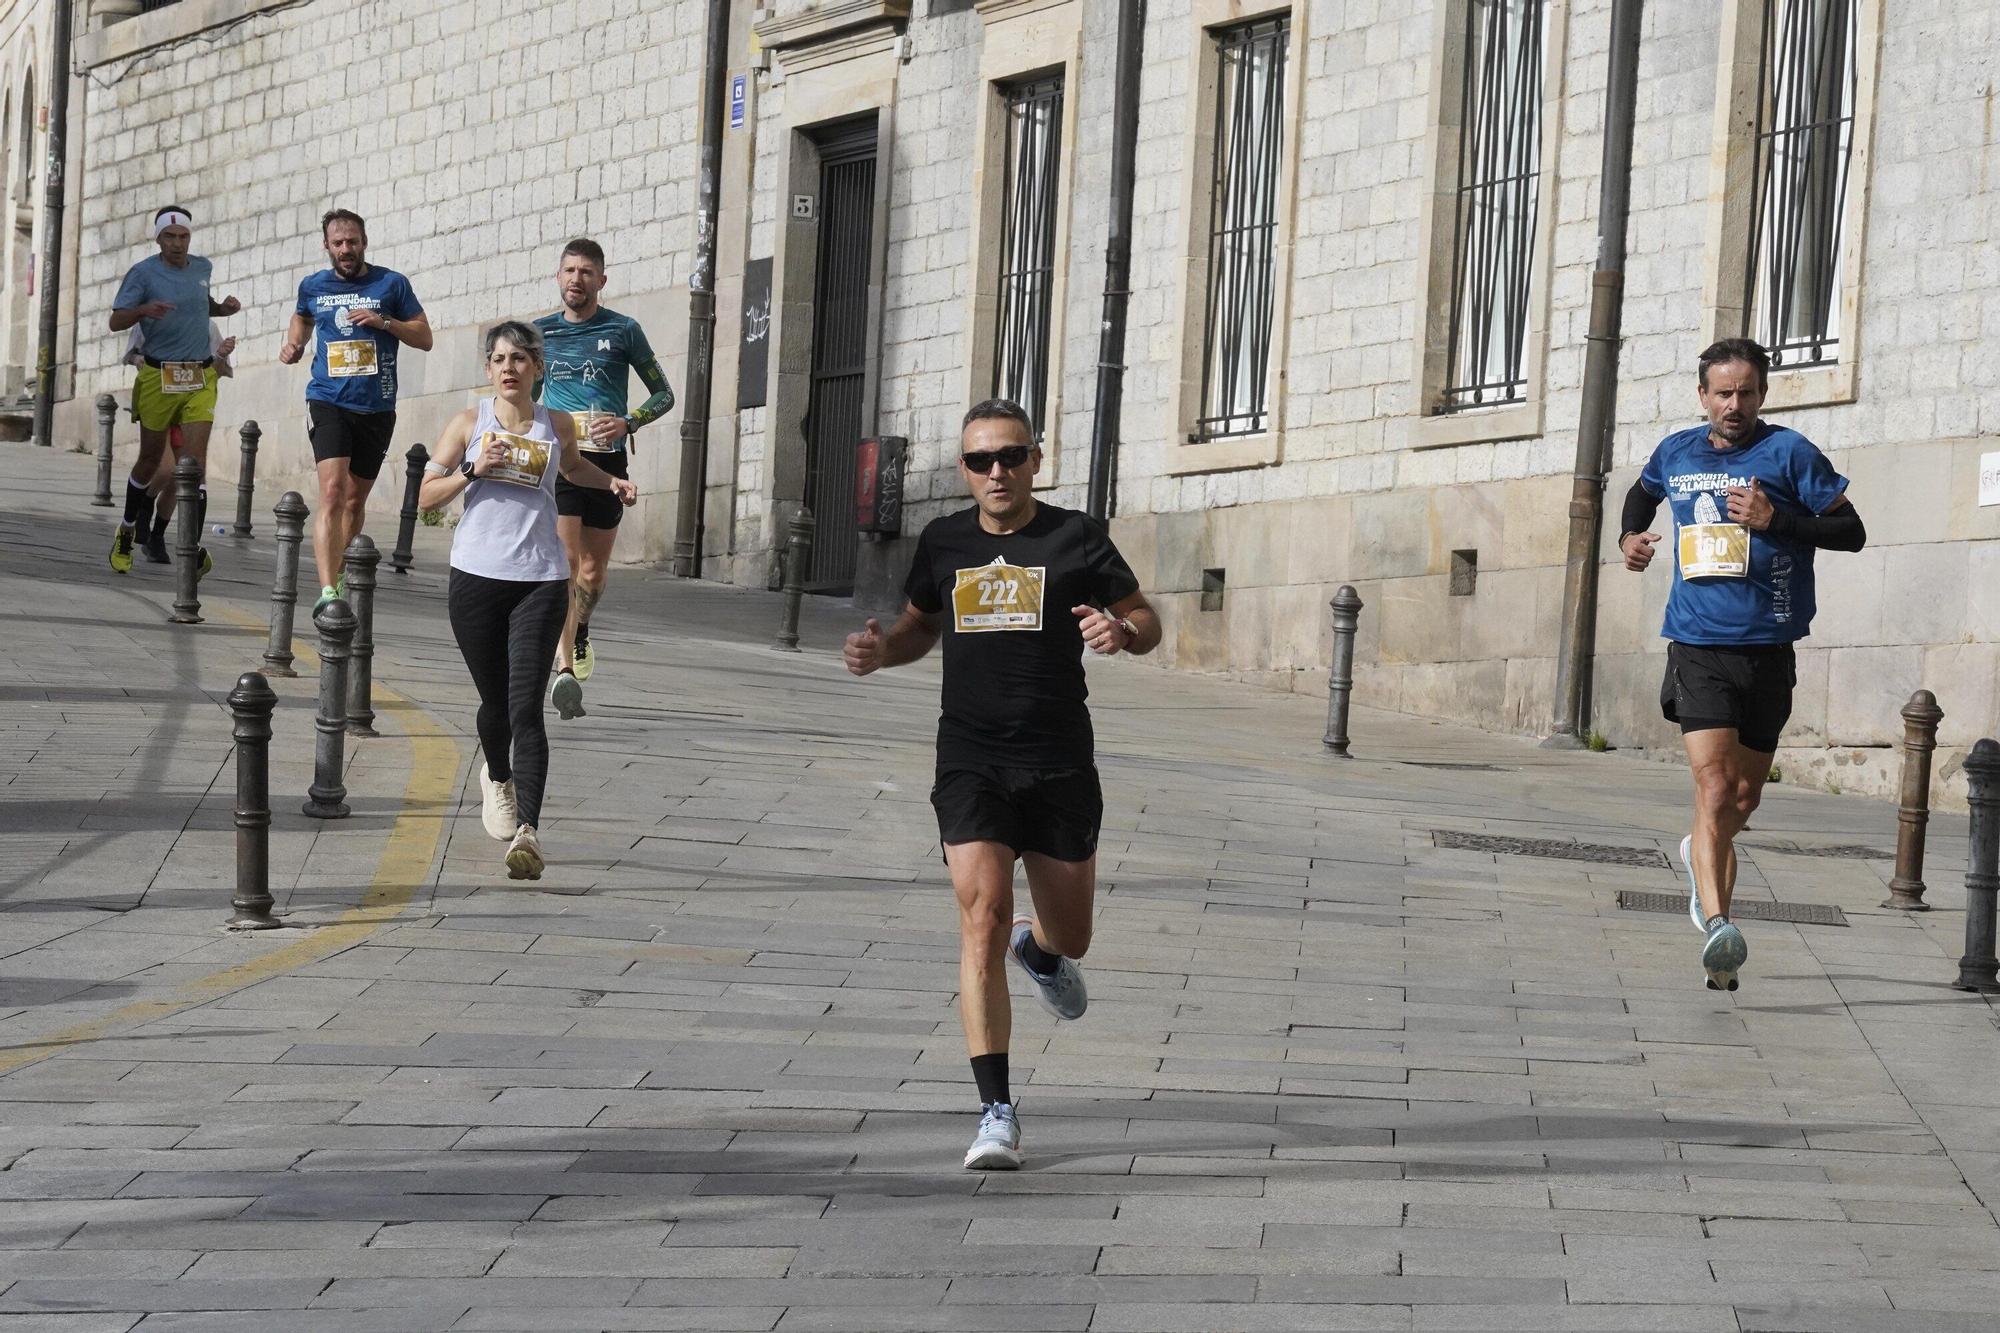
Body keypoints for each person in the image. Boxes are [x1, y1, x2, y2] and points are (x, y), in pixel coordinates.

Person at [842, 398, 1160, 1170]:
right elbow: (921, 623)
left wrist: (1122, 634)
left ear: (1035, 461)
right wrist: (885, 652)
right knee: (982, 913)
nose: (997, 472)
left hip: (1058, 760)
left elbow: (1146, 618)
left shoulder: (1076, 536)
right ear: (963, 470)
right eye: (981, 460)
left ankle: (1045, 955)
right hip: (971, 756)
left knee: (1072, 931)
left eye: (1011, 457)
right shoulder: (943, 541)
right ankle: (996, 1111)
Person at [1620, 338, 1866, 992]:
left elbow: (1852, 532)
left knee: (1744, 799)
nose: (1735, 404)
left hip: (1768, 652)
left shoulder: (1789, 454)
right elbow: (1638, 497)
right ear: (1703, 395)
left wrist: (1776, 518)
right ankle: (1718, 921)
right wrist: (1630, 539)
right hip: (1698, 646)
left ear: (1763, 393)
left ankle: (1699, 852)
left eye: (1747, 393)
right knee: (1714, 789)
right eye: (1723, 393)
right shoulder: (1677, 452)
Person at [419, 321, 636, 880]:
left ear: (537, 368)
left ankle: (529, 834)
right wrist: (474, 469)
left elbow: (574, 465)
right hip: (475, 577)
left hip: (540, 580)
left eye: (519, 358)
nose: (509, 367)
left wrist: (609, 483)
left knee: (526, 709)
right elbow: (425, 497)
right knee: (494, 706)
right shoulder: (469, 423)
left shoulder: (555, 423)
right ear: (488, 370)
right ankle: (497, 776)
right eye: (499, 359)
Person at [533, 238, 676, 720]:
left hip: (609, 464)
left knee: (592, 576)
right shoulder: (540, 334)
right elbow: (525, 400)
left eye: (586, 271)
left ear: (601, 280)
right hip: (561, 462)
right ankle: (563, 667)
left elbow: (665, 394)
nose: (576, 279)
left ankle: (581, 627)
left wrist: (627, 422)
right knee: (566, 563)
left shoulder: (623, 330)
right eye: (569, 270)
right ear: (558, 277)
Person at [280, 209, 432, 614]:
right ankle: (329, 591)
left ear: (364, 242)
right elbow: (302, 316)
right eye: (338, 243)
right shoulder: (313, 285)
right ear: (326, 246)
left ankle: (341, 567)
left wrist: (385, 322)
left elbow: (425, 337)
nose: (345, 250)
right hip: (328, 398)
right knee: (331, 491)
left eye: (352, 242)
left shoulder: (392, 284)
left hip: (376, 404)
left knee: (352, 500)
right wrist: (294, 344)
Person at [107, 206, 241, 574]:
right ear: (158, 239)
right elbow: (116, 319)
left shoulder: (202, 268)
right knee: (151, 461)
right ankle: (127, 529)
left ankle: (192, 547)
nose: (178, 243)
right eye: (170, 237)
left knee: (193, 466)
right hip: (158, 374)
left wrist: (223, 309)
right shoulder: (143, 274)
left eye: (183, 236)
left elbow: (199, 307)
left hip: (199, 375)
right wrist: (144, 310)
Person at [126, 321, 236, 565]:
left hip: (191, 402)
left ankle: (161, 537)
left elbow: (217, 370)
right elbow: (132, 353)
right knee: (164, 468)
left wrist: (220, 355)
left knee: (186, 474)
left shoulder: (206, 326)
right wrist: (139, 362)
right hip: (159, 397)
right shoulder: (153, 320)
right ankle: (145, 503)